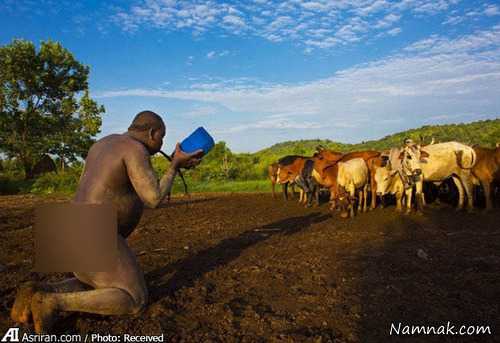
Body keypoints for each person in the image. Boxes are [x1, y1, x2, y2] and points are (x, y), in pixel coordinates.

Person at [10, 111, 203, 333]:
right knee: (135, 299)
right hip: (93, 230)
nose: (161, 143)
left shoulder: (102, 143)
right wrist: (174, 166)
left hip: (68, 224)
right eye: (162, 137)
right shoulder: (135, 149)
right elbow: (153, 198)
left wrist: (174, 162)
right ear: (152, 133)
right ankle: (54, 303)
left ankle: (36, 291)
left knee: (95, 283)